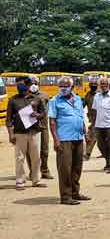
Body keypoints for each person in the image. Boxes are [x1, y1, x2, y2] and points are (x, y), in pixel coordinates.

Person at [48, 76, 90, 205]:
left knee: (77, 167)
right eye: (61, 86)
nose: (63, 88)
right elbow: (52, 121)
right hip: (64, 139)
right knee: (65, 168)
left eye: (66, 86)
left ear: (72, 87)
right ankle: (65, 196)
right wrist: (56, 139)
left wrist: (85, 133)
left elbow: (80, 117)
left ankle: (75, 192)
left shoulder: (78, 99)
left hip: (78, 137)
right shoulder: (54, 101)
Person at [6, 76, 47, 191]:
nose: (19, 87)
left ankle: (36, 180)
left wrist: (37, 115)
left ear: (28, 85)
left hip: (34, 132)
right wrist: (11, 134)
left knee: (36, 157)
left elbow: (43, 113)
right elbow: (8, 119)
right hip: (19, 133)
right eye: (18, 85)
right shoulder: (13, 100)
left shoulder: (37, 99)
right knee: (20, 158)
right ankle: (20, 181)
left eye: (22, 84)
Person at [28, 77, 53, 179]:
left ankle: (45, 170)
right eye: (31, 83)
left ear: (38, 84)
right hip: (30, 128)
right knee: (31, 151)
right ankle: (33, 172)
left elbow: (49, 110)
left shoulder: (45, 95)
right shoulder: (25, 96)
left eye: (35, 83)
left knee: (44, 150)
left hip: (43, 126)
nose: (33, 84)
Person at [83, 78, 99, 160]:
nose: (93, 86)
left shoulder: (100, 94)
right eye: (91, 85)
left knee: (93, 137)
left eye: (94, 85)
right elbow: (83, 104)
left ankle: (88, 154)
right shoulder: (88, 94)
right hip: (91, 119)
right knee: (92, 137)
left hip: (100, 119)